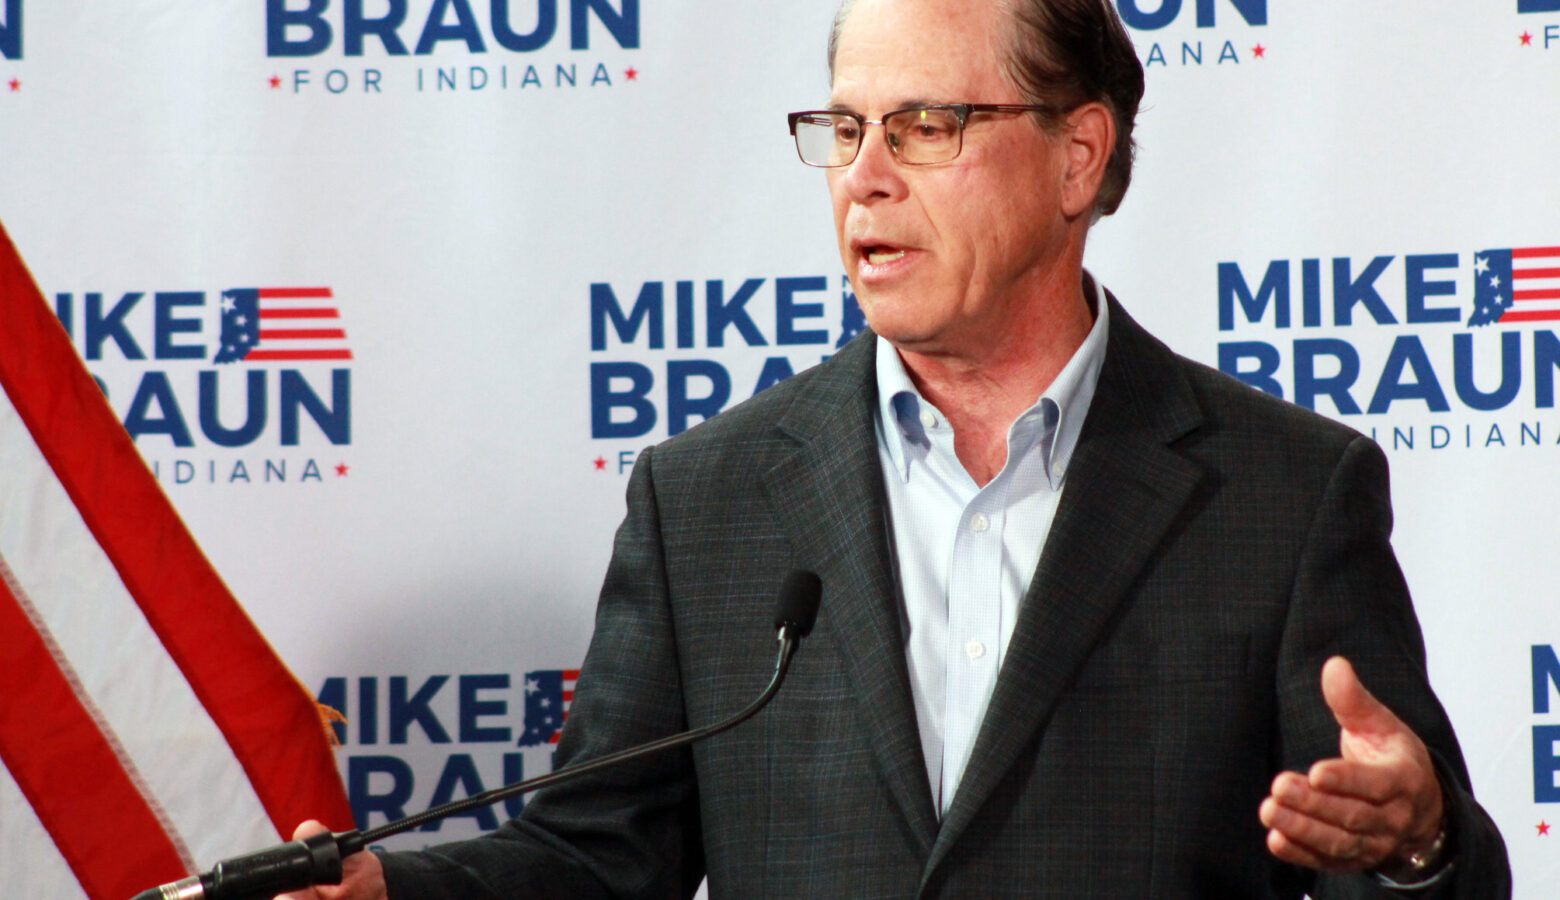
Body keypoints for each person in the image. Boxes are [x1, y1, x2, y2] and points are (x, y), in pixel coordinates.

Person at [284, 0, 1510, 896]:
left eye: (924, 127)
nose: (861, 180)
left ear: (1076, 157)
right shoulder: (708, 500)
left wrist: (1418, 848)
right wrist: (397, 895)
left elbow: (1397, 852)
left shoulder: (1282, 494)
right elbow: (597, 859)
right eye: (842, 127)